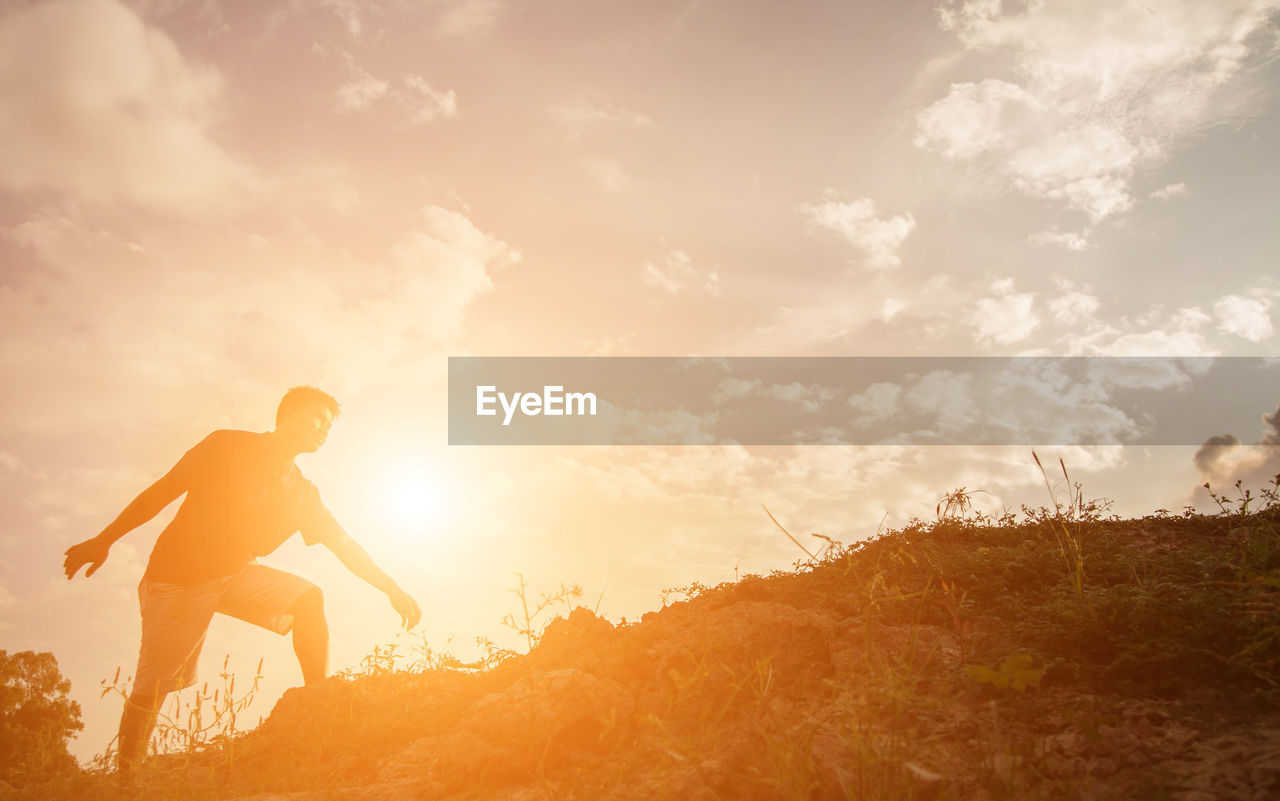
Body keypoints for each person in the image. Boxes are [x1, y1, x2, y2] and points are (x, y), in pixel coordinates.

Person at [62, 386, 422, 775]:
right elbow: (163, 491)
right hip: (177, 578)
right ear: (287, 415)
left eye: (329, 426)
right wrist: (104, 540)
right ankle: (127, 778)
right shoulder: (227, 446)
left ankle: (317, 701)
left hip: (233, 575)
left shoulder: (302, 493)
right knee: (153, 687)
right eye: (318, 419)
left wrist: (392, 589)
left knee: (308, 599)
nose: (324, 429)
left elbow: (345, 547)